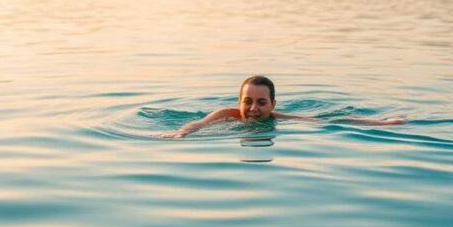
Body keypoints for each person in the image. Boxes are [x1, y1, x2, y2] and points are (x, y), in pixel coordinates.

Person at [162, 75, 405, 138]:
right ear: (239, 102)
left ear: (273, 104)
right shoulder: (226, 115)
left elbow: (330, 122)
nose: (254, 108)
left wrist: (383, 123)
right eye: (247, 101)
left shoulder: (279, 118)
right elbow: (199, 123)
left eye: (261, 102)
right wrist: (181, 132)